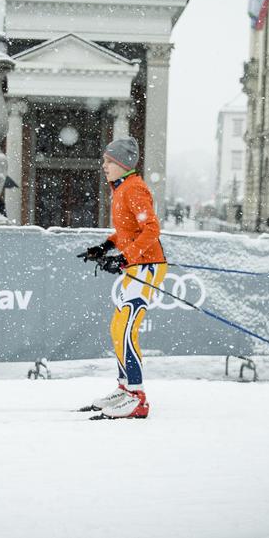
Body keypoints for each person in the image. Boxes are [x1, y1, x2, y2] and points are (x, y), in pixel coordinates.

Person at [78, 137, 166, 419]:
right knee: (118, 329)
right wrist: (104, 247)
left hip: (147, 267)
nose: (103, 166)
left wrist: (127, 257)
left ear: (123, 165)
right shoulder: (121, 189)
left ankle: (138, 397)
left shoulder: (135, 189)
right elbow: (127, 232)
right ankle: (125, 388)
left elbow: (151, 230)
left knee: (127, 330)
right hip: (136, 266)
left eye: (108, 162)